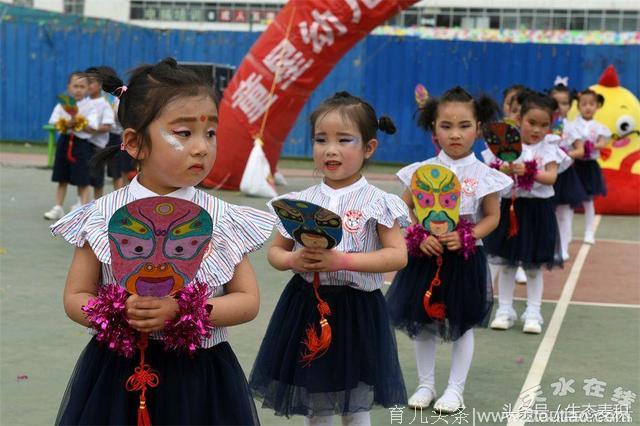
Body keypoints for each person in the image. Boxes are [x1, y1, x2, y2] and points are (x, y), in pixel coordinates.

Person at [51, 58, 274, 425]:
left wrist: (184, 313)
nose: (202, 147)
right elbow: (76, 296)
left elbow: (247, 301)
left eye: (210, 133)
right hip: (116, 374)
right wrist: (118, 313)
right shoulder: (102, 215)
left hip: (201, 376)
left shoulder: (223, 217)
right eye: (184, 134)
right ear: (135, 143)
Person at [249, 92, 409, 426]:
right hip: (305, 306)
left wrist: (343, 261)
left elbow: (397, 255)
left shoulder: (379, 201)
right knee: (317, 400)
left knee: (356, 404)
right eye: (321, 140)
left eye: (343, 140)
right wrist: (293, 261)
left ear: (369, 148)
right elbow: (275, 253)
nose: (330, 149)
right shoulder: (298, 201)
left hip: (358, 311)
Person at [386, 86, 512, 413]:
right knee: (423, 324)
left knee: (461, 325)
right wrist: (416, 233)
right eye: (446, 126)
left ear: (479, 128)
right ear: (434, 128)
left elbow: (493, 216)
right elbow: (404, 209)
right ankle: (425, 384)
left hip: (465, 260)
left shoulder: (485, 175)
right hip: (424, 259)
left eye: (464, 125)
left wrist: (468, 235)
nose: (455, 134)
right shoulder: (420, 171)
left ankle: (455, 390)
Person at [485, 92, 568, 335]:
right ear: (519, 119)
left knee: (533, 267)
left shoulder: (550, 147)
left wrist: (529, 172)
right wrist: (505, 168)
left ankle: (533, 312)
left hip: (537, 212)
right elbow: (493, 174)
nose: (537, 130)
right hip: (510, 209)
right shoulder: (504, 145)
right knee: (507, 264)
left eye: (544, 125)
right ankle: (505, 309)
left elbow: (552, 176)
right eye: (532, 123)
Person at [43, 71, 97, 220]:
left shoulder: (90, 106)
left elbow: (93, 127)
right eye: (75, 86)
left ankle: (83, 211)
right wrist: (66, 123)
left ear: (87, 88)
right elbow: (53, 122)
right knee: (62, 177)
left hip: (82, 144)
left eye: (82, 86)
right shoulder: (63, 104)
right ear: (69, 87)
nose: (78, 89)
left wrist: (79, 122)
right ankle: (58, 207)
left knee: (83, 179)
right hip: (65, 142)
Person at [565, 89, 610, 244]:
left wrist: (593, 146)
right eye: (584, 104)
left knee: (588, 201)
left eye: (591, 104)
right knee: (570, 201)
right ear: (578, 106)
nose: (588, 107)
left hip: (590, 166)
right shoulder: (572, 125)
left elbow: (603, 142)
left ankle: (589, 232)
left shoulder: (599, 127)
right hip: (574, 165)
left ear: (597, 106)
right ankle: (567, 233)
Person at [548, 84, 588, 260]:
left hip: (565, 175)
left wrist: (564, 155)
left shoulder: (571, 127)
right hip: (547, 174)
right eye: (556, 102)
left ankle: (563, 247)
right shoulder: (543, 125)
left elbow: (580, 150)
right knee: (548, 213)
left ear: (570, 105)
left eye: (564, 103)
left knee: (564, 213)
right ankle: (549, 246)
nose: (560, 107)